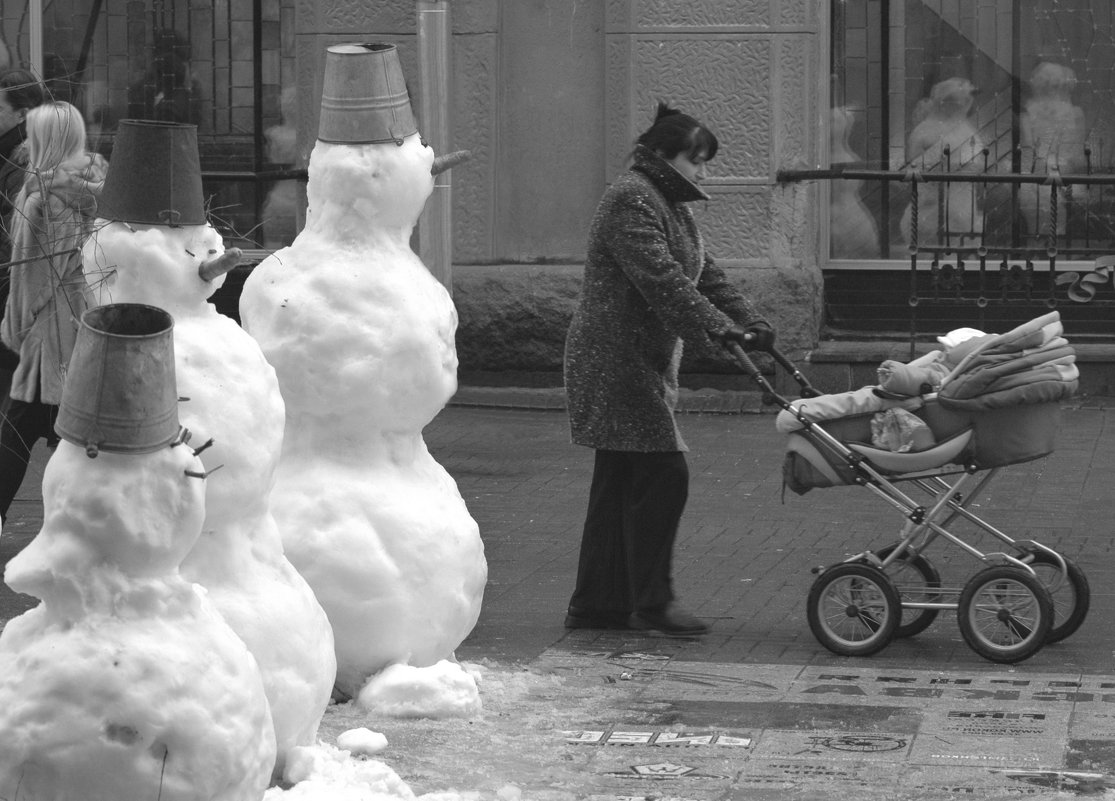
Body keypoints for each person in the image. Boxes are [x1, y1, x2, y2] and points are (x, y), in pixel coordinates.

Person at [563, 102, 774, 636]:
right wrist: (718, 330)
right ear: (662, 155)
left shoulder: (669, 203)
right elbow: (662, 280)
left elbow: (704, 276)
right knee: (663, 473)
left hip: (638, 358)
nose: (704, 173)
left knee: (620, 480)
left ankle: (597, 605)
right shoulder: (630, 199)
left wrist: (749, 320)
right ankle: (651, 601)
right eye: (696, 160)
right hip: (614, 361)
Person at [0, 101, 107, 524]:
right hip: (84, 317)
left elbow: (33, 279)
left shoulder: (44, 199)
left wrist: (13, 329)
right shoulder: (95, 181)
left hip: (50, 329)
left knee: (21, 427)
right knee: (68, 430)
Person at [0, 70, 46, 385]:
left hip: (11, 286)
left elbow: (14, 234)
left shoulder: (25, 159)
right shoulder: (9, 150)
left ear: (23, 114)